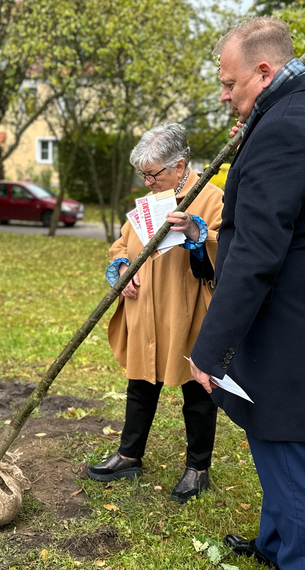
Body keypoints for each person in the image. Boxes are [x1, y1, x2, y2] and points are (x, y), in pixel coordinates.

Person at [187, 17, 305, 569]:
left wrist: (208, 349)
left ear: (263, 72)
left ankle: (302, 560)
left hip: (287, 332)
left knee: (288, 459)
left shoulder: (284, 130)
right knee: (274, 442)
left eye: (229, 82)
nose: (224, 94)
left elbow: (255, 254)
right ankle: (275, 544)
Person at [86, 123, 224, 503]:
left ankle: (198, 468)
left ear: (180, 166)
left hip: (189, 308)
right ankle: (129, 455)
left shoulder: (213, 198)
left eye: (153, 174)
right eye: (143, 174)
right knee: (141, 380)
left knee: (198, 389)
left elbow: (228, 248)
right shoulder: (151, 200)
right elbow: (122, 242)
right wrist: (121, 267)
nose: (147, 182)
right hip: (146, 305)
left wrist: (198, 236)